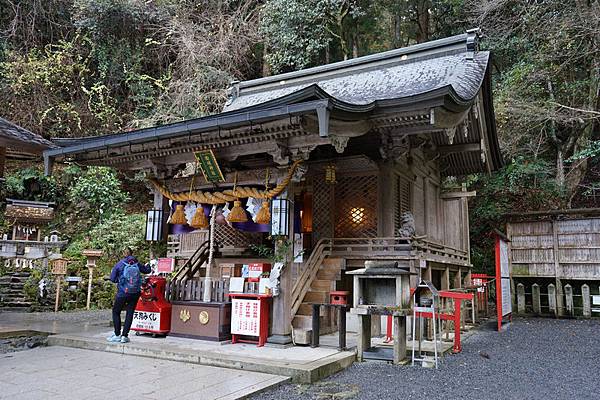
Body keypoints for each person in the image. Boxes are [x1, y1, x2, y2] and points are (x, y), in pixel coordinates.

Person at [107, 248, 151, 343]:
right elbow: (147, 270)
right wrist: (148, 265)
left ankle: (117, 334)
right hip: (135, 293)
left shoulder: (119, 264)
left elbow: (112, 278)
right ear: (132, 253)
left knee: (116, 311)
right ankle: (124, 336)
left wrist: (120, 281)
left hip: (123, 292)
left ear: (123, 254)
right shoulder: (137, 264)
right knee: (130, 313)